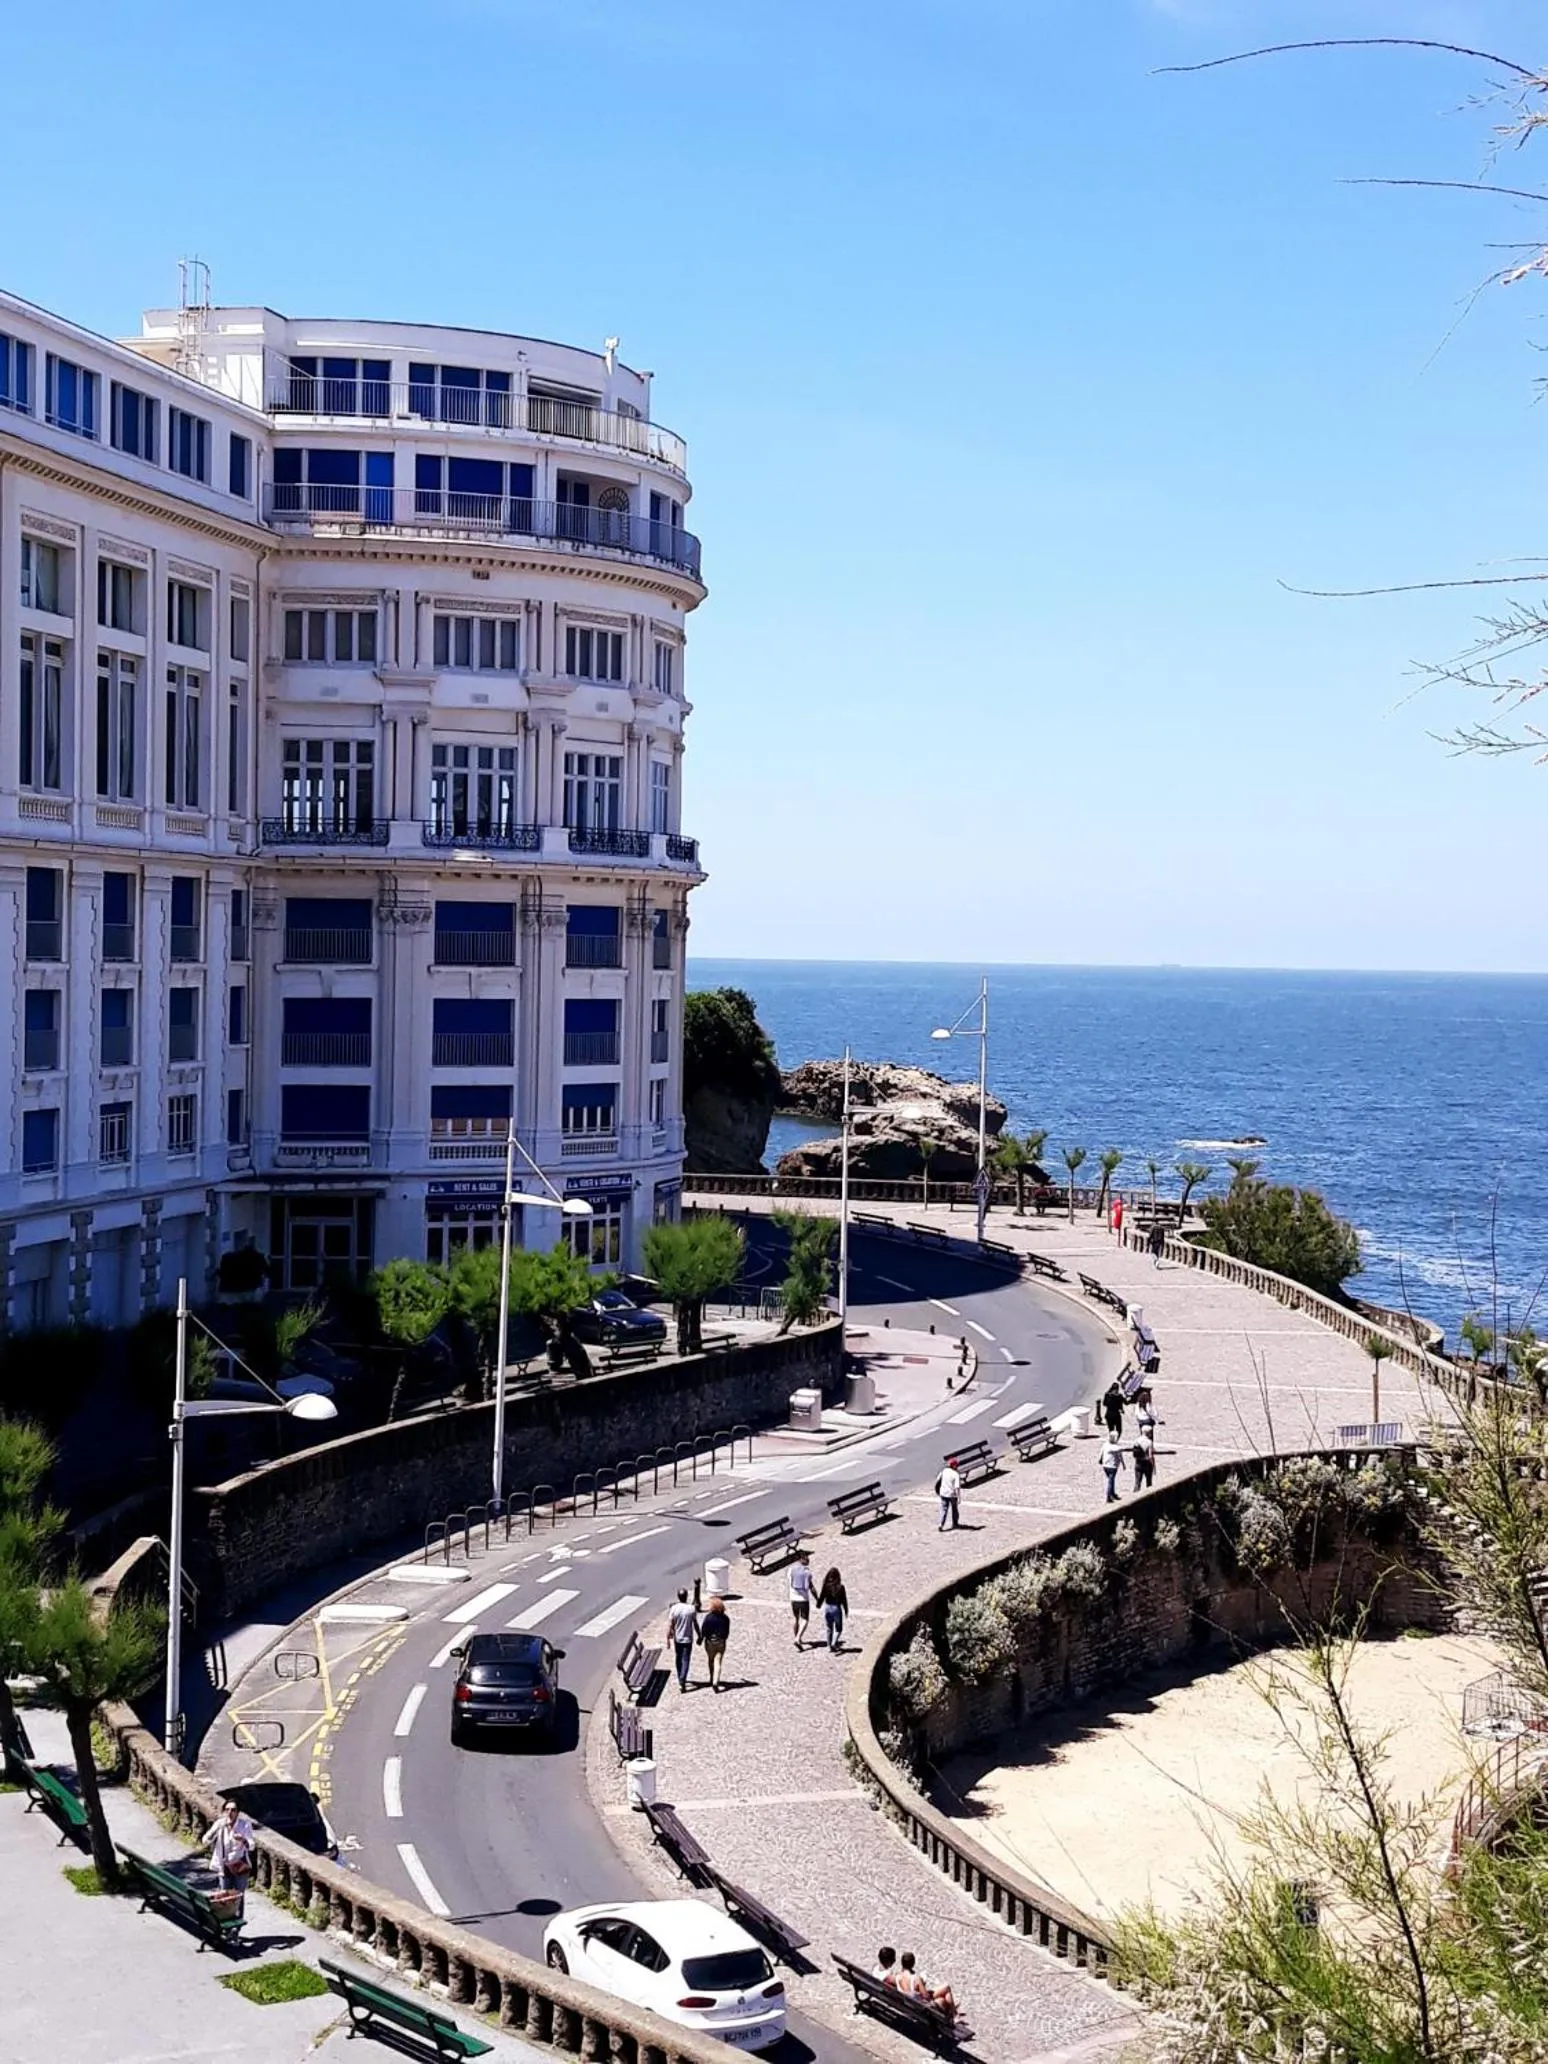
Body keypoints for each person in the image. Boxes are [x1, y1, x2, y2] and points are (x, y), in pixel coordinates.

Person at [205, 1798, 255, 1919]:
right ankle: (225, 1924)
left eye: (233, 1810)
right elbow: (205, 1840)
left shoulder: (244, 1825)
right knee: (224, 1898)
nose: (230, 1813)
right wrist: (217, 1829)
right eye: (227, 1810)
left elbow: (252, 1846)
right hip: (224, 1866)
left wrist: (243, 1840)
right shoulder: (220, 1824)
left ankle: (237, 1925)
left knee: (238, 1897)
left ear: (238, 1812)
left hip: (238, 1866)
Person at [897, 1950, 958, 2018]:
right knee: (944, 1995)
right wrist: (923, 1983)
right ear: (913, 1963)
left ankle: (954, 2012)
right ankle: (955, 2015)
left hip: (908, 2004)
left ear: (902, 1963)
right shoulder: (916, 1979)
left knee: (945, 1990)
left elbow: (910, 1992)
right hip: (920, 2007)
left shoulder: (898, 1977)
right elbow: (926, 1997)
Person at [666, 1588, 697, 1691]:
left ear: (678, 1597)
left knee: (678, 1658)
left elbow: (670, 1625)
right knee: (686, 1659)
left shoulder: (674, 1609)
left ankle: (680, 1677)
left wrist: (668, 1638)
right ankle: (682, 1679)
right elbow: (695, 1623)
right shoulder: (691, 1609)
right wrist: (700, 1634)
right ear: (686, 1596)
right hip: (688, 1638)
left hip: (678, 1638)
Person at [698, 1594, 731, 1691]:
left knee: (711, 1660)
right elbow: (727, 1631)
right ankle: (716, 1681)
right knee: (718, 1661)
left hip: (710, 1642)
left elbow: (704, 1630)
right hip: (721, 1642)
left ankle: (711, 1677)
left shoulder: (709, 1618)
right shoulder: (725, 1618)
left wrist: (701, 1639)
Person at [788, 1549, 816, 1648]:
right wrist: (817, 1599)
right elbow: (811, 1587)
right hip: (803, 1599)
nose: (808, 1559)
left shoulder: (791, 1570)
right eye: (806, 1558)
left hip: (793, 1598)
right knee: (805, 1619)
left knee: (795, 1618)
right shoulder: (806, 1572)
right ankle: (798, 1638)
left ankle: (797, 1637)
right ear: (801, 1559)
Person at [818, 1566, 848, 1651]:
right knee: (839, 1628)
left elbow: (822, 1596)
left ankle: (829, 1646)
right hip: (836, 1608)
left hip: (827, 1607)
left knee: (829, 1628)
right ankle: (834, 1643)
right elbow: (844, 1599)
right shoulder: (841, 1587)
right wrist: (846, 1610)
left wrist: (819, 1604)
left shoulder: (825, 1585)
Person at [935, 1457, 962, 1531]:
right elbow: (957, 1487)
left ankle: (941, 1524)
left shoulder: (944, 1471)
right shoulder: (956, 1474)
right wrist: (959, 1497)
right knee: (954, 1509)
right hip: (952, 1494)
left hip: (943, 1493)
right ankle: (955, 1523)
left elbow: (938, 1479)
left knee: (943, 1509)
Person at [1100, 1434, 1126, 1503]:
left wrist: (1100, 1460)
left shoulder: (1105, 1444)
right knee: (1110, 1481)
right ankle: (1108, 1497)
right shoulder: (1116, 1447)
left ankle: (1112, 1493)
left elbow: (1101, 1453)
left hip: (1105, 1465)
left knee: (1111, 1480)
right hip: (1112, 1466)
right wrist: (1123, 1464)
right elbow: (1120, 1456)